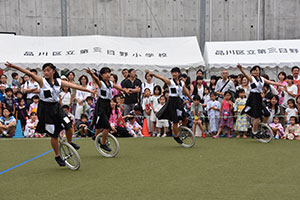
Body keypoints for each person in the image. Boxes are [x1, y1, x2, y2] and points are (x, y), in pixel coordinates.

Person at [5, 62, 93, 167]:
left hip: (56, 107)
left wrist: (88, 90)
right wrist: (14, 66)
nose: (46, 72)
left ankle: (70, 143)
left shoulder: (58, 81)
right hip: (46, 110)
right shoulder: (42, 81)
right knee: (54, 134)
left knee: (69, 124)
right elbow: (29, 73)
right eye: (44, 70)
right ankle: (57, 156)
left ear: (53, 71)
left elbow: (74, 86)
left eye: (48, 70)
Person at [146, 67, 193, 145]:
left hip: (179, 101)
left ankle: (182, 130)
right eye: (172, 72)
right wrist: (153, 74)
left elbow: (185, 91)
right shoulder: (170, 82)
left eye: (175, 72)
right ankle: (176, 136)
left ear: (178, 73)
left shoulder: (182, 83)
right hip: (172, 102)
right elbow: (162, 78)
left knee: (186, 118)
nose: (174, 74)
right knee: (175, 121)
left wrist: (191, 98)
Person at [86, 67, 129, 152]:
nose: (108, 74)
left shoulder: (110, 83)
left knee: (100, 123)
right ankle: (103, 143)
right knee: (107, 126)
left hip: (107, 104)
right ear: (101, 75)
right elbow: (96, 79)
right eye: (105, 73)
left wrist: (124, 90)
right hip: (101, 104)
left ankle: (95, 136)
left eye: (109, 72)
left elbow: (117, 87)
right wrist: (91, 74)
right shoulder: (101, 83)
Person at [237, 64, 285, 137]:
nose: (255, 71)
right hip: (253, 97)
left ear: (259, 71)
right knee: (257, 117)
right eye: (254, 70)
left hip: (259, 97)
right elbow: (245, 75)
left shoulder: (262, 79)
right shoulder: (251, 78)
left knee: (267, 114)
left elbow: (271, 82)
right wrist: (241, 69)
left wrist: (281, 85)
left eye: (256, 70)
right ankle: (254, 131)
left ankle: (262, 128)